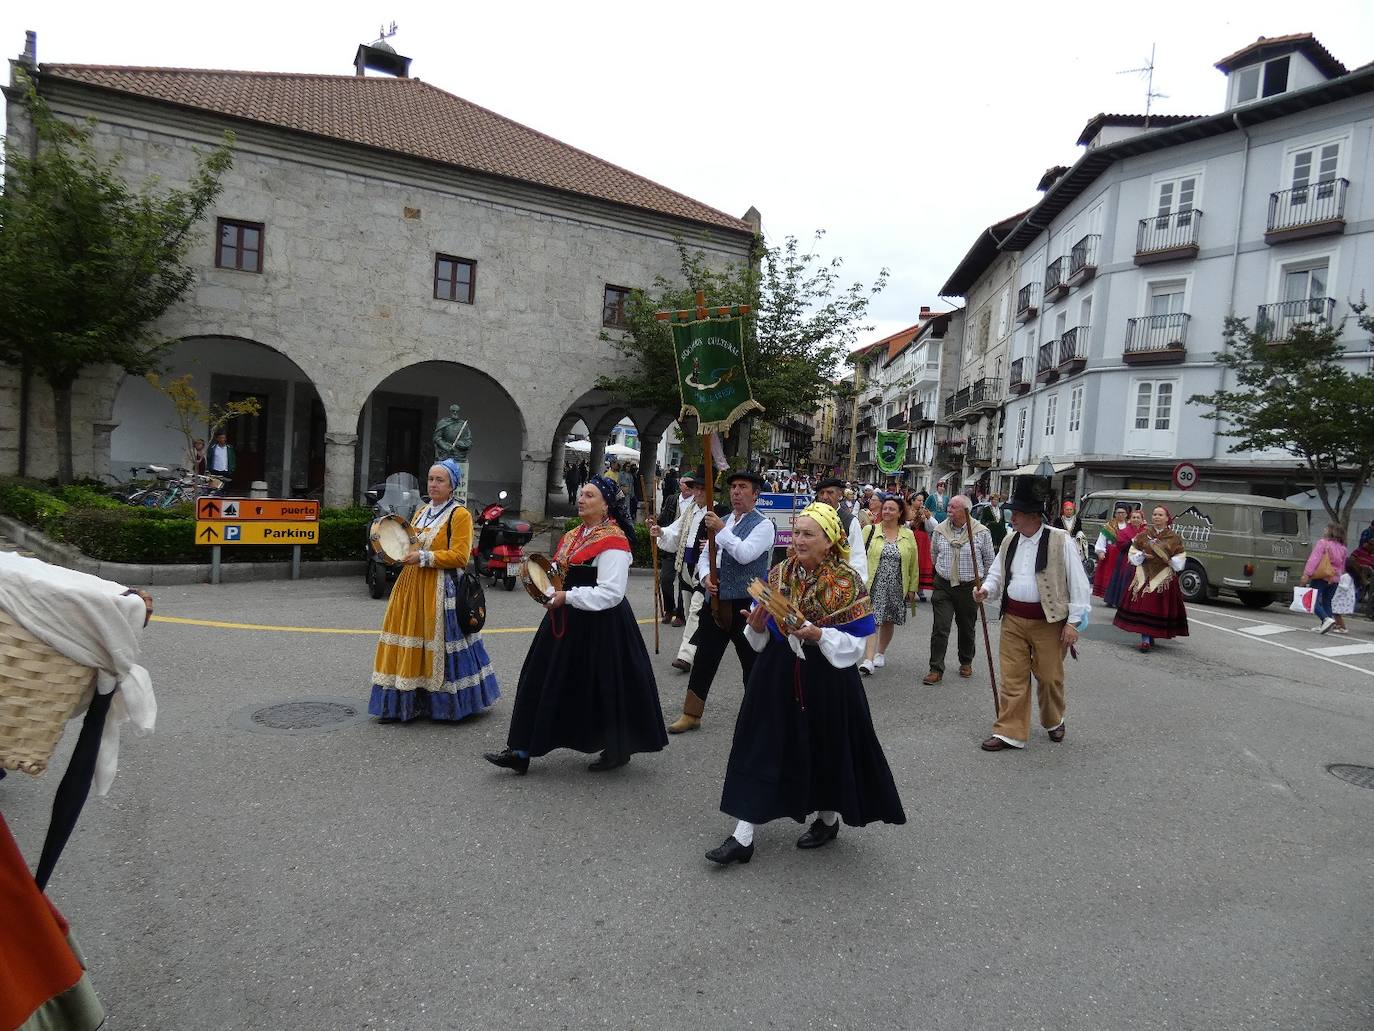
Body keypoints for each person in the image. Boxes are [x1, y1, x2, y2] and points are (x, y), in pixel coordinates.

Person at [704, 504, 906, 866]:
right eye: (796, 532)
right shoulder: (780, 573)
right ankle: (743, 834)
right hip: (777, 671)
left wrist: (819, 634)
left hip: (828, 676)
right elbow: (758, 636)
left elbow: (857, 645)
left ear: (829, 541)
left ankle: (827, 819)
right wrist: (758, 625)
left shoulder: (846, 582)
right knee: (759, 742)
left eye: (808, 534)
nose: (798, 540)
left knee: (826, 745)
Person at [484, 475, 667, 773]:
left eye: (590, 495)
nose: (581, 499)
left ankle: (617, 749)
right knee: (538, 677)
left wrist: (565, 597)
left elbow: (611, 593)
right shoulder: (574, 534)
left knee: (603, 687)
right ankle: (520, 750)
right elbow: (559, 571)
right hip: (565, 617)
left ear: (606, 504)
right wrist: (542, 582)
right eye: (581, 494)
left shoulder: (614, 541)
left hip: (603, 625)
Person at [369, 460, 501, 721]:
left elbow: (460, 557)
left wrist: (423, 558)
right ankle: (406, 700)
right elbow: (409, 543)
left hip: (440, 589)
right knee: (411, 642)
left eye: (440, 480)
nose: (434, 484)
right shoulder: (421, 511)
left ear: (452, 485)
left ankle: (444, 705)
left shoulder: (459, 515)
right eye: (430, 479)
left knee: (440, 645)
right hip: (411, 587)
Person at [973, 473, 1092, 751]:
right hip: (1013, 619)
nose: (1011, 517)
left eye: (1016, 513)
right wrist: (986, 590)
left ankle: (1053, 719)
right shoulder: (1009, 540)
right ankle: (1010, 732)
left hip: (1049, 622)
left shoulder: (1061, 540)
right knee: (1013, 677)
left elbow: (1079, 583)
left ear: (1031, 515)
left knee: (1049, 678)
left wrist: (1073, 623)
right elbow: (996, 574)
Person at [652, 469, 775, 733]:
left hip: (748, 602)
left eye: (743, 487)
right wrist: (707, 576)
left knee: (752, 663)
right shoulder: (726, 519)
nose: (736, 492)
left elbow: (745, 554)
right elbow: (707, 553)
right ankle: (691, 713)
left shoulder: (764, 525)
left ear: (755, 494)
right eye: (733, 487)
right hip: (717, 600)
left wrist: (721, 530)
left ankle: (759, 717)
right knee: (704, 657)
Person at [924, 494, 996, 685]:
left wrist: (984, 585)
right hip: (944, 585)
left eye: (954, 507)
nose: (949, 510)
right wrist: (944, 572)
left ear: (966, 511)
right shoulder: (940, 530)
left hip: (969, 587)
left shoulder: (980, 532)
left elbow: (989, 561)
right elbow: (934, 554)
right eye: (949, 506)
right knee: (940, 627)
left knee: (966, 627)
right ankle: (935, 668)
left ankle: (966, 660)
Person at [1112, 505, 1191, 652]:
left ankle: (1151, 634)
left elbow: (1180, 556)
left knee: (1157, 608)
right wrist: (1142, 555)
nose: (1156, 517)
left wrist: (1171, 561)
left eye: (1160, 515)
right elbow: (1133, 552)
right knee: (1145, 605)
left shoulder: (1174, 538)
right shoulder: (1143, 535)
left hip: (1164, 576)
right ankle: (1145, 639)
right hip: (1145, 575)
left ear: (1167, 518)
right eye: (1154, 514)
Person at [858, 494, 918, 676]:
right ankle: (867, 659)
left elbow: (913, 563)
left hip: (897, 583)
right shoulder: (869, 530)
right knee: (872, 619)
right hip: (874, 582)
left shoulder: (908, 534)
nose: (887, 511)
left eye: (892, 509)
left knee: (888, 619)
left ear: (900, 512)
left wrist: (912, 588)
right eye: (885, 508)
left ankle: (880, 653)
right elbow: (858, 556)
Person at [815, 477, 868, 582]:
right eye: (821, 493)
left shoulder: (850, 521)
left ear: (840, 495)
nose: (825, 497)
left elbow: (857, 558)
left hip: (838, 582)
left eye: (830, 492)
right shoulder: (811, 517)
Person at [1300, 521, 1348, 635]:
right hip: (1335, 578)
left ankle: (1326, 619)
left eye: (1326, 528)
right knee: (1327, 601)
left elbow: (1314, 559)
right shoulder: (1343, 548)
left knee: (1312, 600)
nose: (1324, 530)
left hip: (1321, 576)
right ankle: (1326, 623)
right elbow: (1342, 566)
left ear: (1331, 531)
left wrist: (1307, 574)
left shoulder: (1323, 543)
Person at [656, 473, 690, 625]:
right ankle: (669, 609)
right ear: (680, 484)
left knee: (684, 582)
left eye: (691, 484)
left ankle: (681, 615)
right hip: (670, 544)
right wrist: (654, 524)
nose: (688, 487)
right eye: (685, 483)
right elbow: (663, 519)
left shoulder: (696, 503)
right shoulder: (672, 499)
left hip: (687, 546)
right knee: (665, 579)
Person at [1103, 508, 1145, 608]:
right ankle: (1119, 600)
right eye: (1133, 517)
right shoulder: (1124, 531)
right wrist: (1132, 541)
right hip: (1125, 559)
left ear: (1142, 520)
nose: (1135, 519)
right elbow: (1120, 546)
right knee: (1124, 579)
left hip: (1141, 560)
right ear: (1130, 518)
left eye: (1138, 518)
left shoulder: (1145, 532)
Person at [1092, 503, 1132, 600]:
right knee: (1109, 574)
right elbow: (1102, 539)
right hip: (1111, 553)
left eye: (1123, 513)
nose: (1120, 515)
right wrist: (1101, 551)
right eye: (1118, 513)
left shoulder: (1129, 526)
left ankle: (1118, 596)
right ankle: (1108, 595)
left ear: (1127, 514)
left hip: (1124, 553)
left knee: (1120, 575)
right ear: (1115, 514)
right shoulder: (1109, 526)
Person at [911, 504, 936, 602]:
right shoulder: (911, 518)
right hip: (913, 542)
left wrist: (928, 517)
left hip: (923, 545)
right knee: (912, 566)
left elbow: (933, 526)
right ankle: (910, 590)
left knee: (921, 565)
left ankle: (920, 590)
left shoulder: (927, 520)